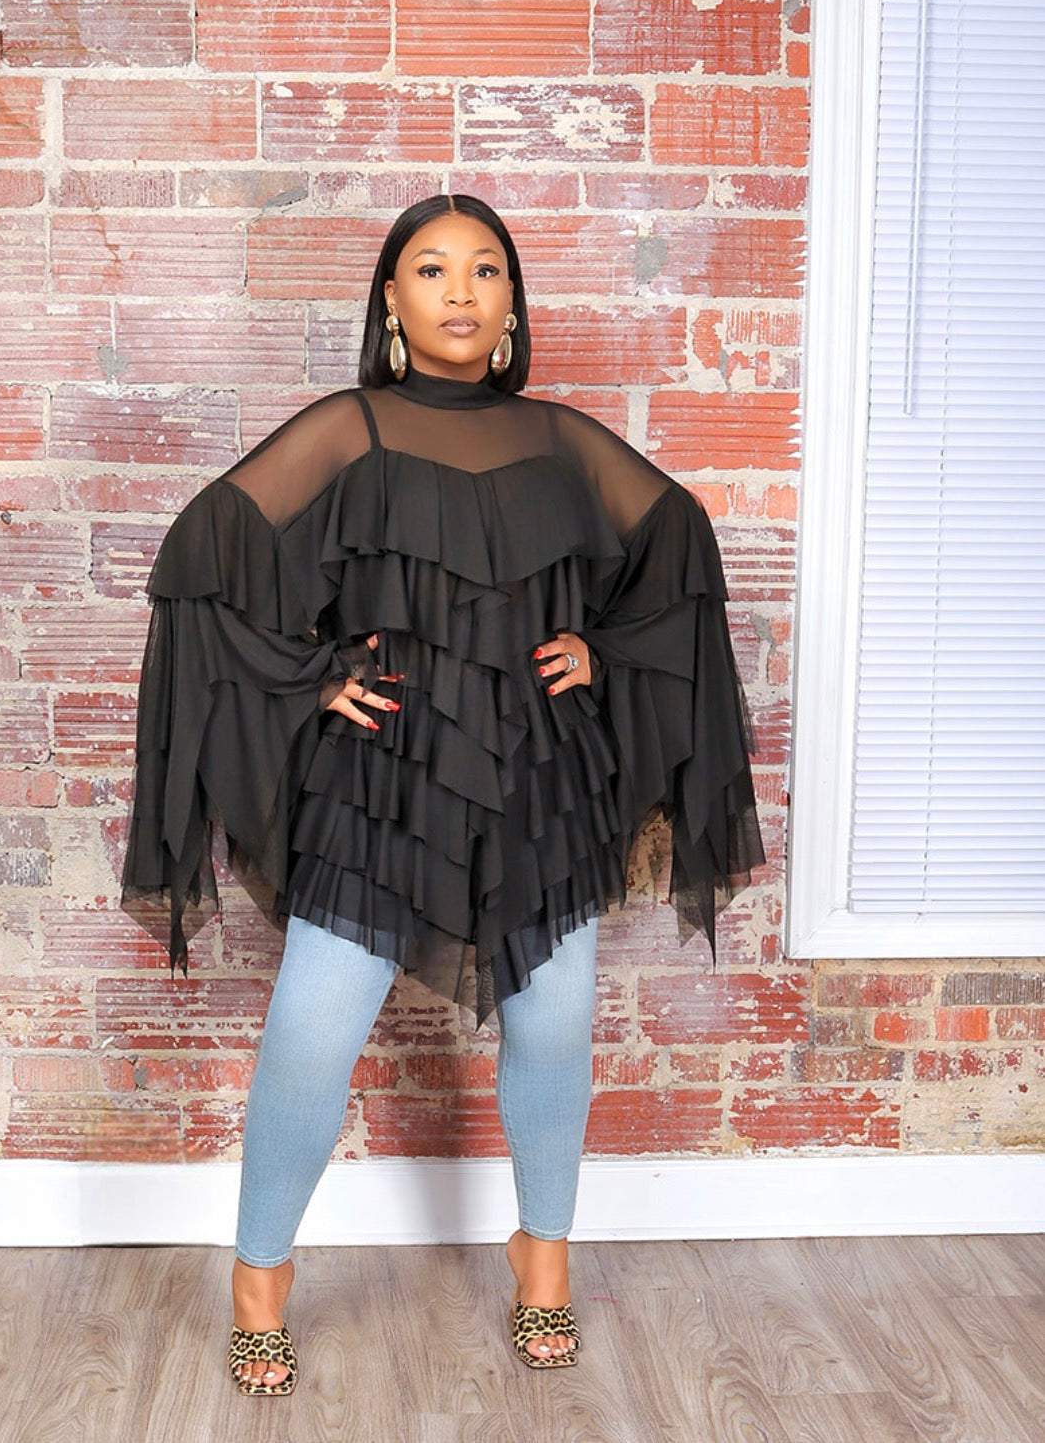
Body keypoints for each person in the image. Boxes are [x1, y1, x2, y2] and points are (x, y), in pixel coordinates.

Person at [119, 193, 766, 1396]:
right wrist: (315, 677)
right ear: (391, 300)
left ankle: (544, 1261)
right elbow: (204, 554)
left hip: (542, 777)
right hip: (383, 780)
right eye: (431, 269)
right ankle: (259, 1279)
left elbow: (679, 548)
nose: (460, 291)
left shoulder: (564, 443)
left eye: (484, 270)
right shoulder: (349, 431)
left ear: (512, 304)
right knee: (312, 1030)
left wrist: (605, 654)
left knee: (553, 1027)